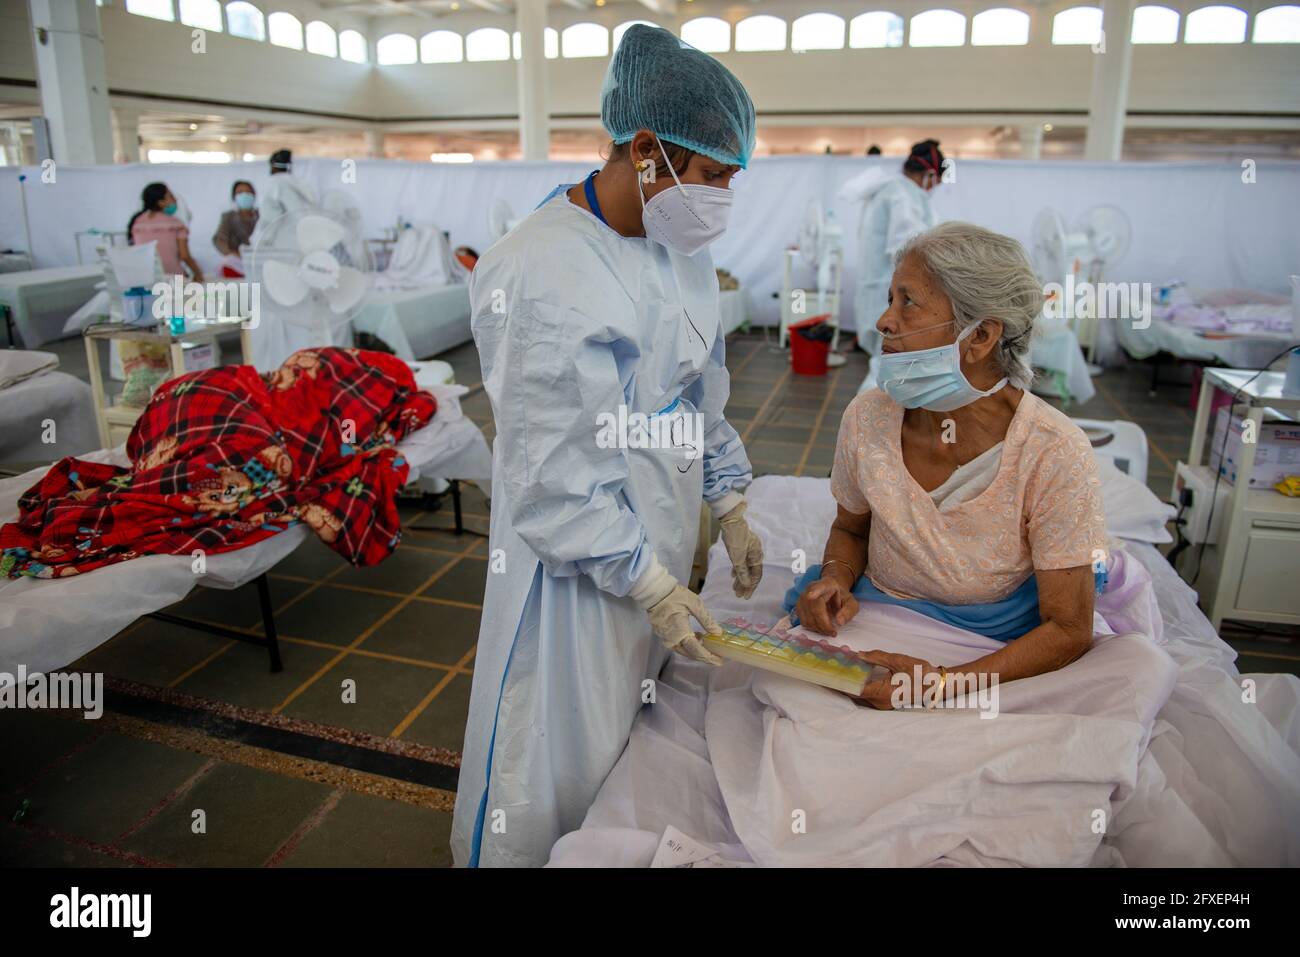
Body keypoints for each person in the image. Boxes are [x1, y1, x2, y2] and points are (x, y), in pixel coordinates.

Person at [451, 23, 765, 868]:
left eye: (732, 180)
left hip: (652, 540)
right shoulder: (543, 270)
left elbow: (699, 388)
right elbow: (552, 480)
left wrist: (728, 497)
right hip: (571, 575)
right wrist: (646, 578)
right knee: (552, 760)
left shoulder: (679, 246)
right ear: (645, 149)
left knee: (634, 747)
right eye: (709, 176)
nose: (720, 199)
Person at [794, 222, 1107, 708]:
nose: (883, 321)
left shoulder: (1053, 450)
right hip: (880, 614)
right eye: (889, 299)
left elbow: (1068, 628)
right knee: (784, 700)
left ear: (979, 335)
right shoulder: (868, 417)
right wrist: (835, 579)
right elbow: (852, 531)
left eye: (907, 302)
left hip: (995, 651)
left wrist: (936, 685)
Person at [840, 138, 944, 354]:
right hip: (888, 294)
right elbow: (907, 248)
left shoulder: (889, 190)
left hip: (877, 290)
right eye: (936, 182)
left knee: (883, 361)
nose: (933, 188)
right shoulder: (901, 196)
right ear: (930, 175)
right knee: (886, 363)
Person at [127, 182, 203, 281]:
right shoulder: (175, 224)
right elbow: (185, 256)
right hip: (172, 279)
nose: (175, 200)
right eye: (171, 196)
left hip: (145, 280)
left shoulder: (137, 223)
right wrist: (198, 274)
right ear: (161, 202)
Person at [251, 149, 317, 242]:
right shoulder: (302, 185)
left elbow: (270, 218)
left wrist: (258, 242)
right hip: (308, 241)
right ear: (289, 167)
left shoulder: (274, 185)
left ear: (273, 166)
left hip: (283, 244)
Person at [212, 180, 258, 277]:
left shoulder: (261, 216)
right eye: (240, 192)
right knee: (228, 263)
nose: (244, 195)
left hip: (258, 258)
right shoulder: (228, 217)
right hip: (239, 259)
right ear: (234, 197)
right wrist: (233, 253)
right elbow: (219, 239)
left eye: (248, 192)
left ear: (254, 195)